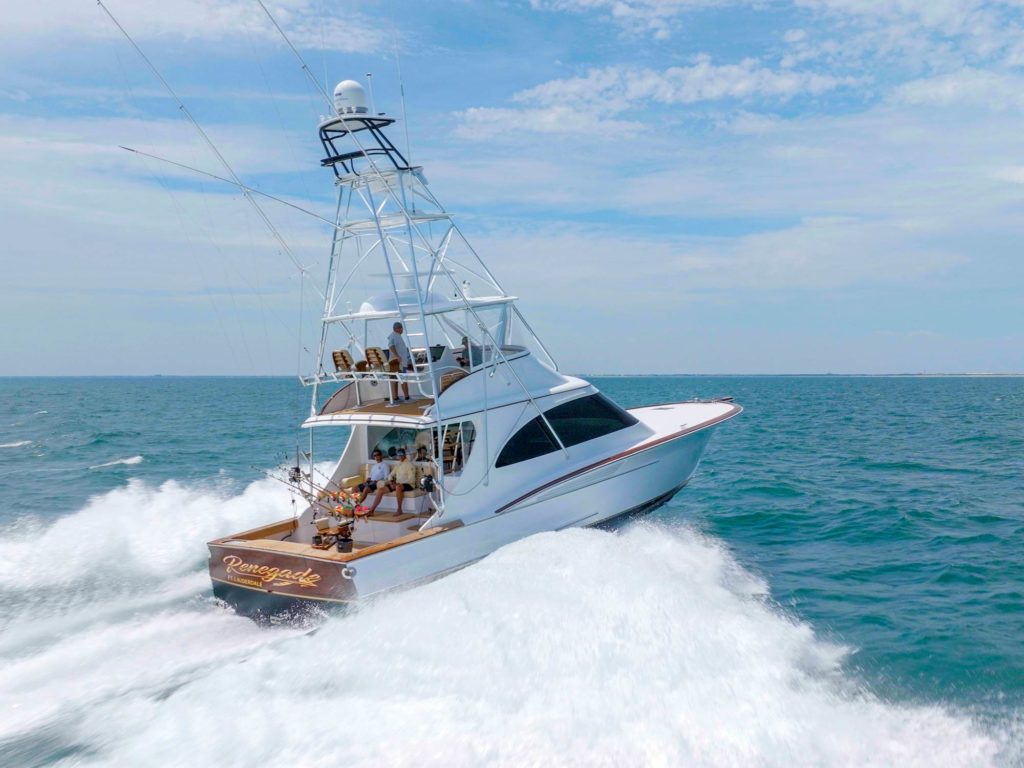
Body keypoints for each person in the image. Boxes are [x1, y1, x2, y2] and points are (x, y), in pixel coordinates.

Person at [365, 448, 419, 516]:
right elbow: (390, 475)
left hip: (409, 484)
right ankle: (372, 510)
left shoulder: (410, 465)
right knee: (381, 490)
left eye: (400, 455)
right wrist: (391, 480)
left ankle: (399, 510)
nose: (398, 457)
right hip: (397, 484)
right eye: (398, 455)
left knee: (398, 487)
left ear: (403, 455)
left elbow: (412, 479)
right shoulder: (398, 464)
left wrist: (399, 483)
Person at [387, 321, 413, 404]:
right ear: (398, 329)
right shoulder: (394, 336)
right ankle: (407, 397)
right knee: (403, 379)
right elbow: (391, 346)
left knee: (395, 379)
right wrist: (397, 356)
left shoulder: (395, 336)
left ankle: (396, 398)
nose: (402, 330)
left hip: (397, 362)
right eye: (401, 328)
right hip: (399, 362)